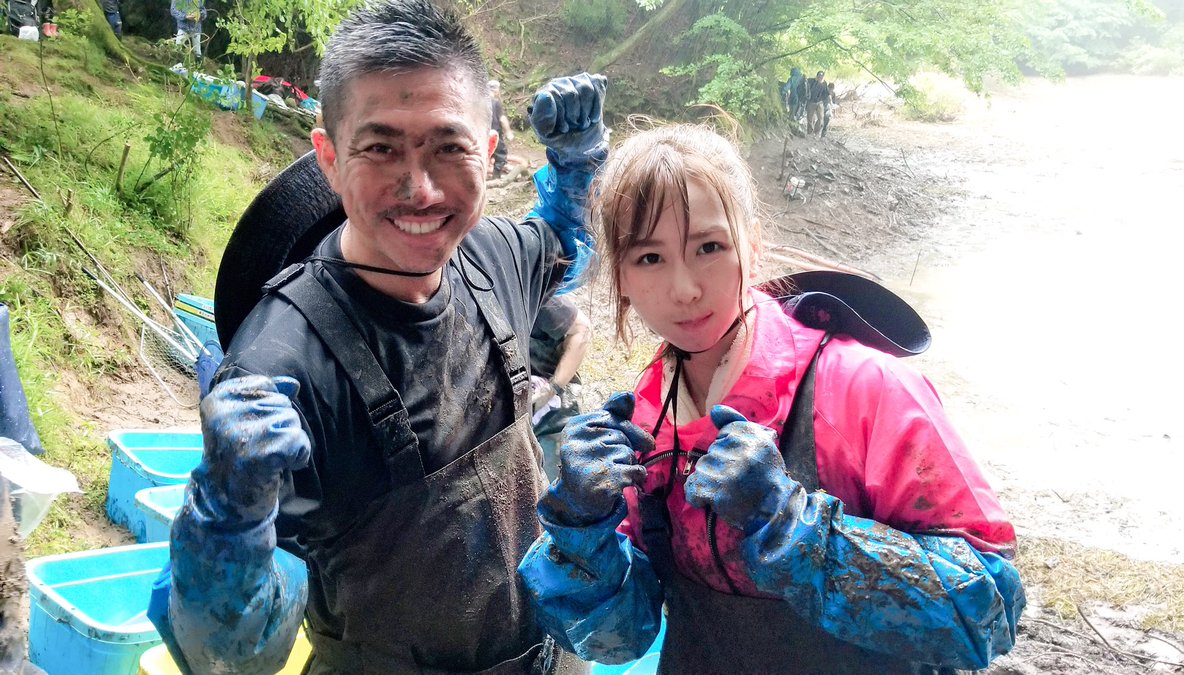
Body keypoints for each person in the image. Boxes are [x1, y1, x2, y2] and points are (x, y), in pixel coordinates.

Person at [150, 0, 610, 672]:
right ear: (329, 158)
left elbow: (566, 245)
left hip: (552, 656)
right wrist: (229, 518)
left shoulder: (493, 253)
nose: (420, 189)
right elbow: (232, 655)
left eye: (449, 147)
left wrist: (576, 170)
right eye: (381, 147)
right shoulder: (284, 367)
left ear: (486, 153)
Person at [518, 124, 1025, 672]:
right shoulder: (645, 417)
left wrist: (790, 524)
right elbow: (619, 642)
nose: (685, 288)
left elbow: (989, 615)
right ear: (618, 276)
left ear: (752, 247)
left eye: (709, 247)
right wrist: (580, 528)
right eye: (649, 258)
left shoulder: (862, 386)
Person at [529, 294, 591, 481]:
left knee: (563, 485)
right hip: (502, 420)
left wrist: (552, 388)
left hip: (551, 413)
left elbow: (581, 329)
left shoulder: (530, 294)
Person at [489, 79, 515, 179]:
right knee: (500, 156)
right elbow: (502, 119)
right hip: (494, 134)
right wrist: (508, 132)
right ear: (496, 90)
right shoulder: (496, 103)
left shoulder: (479, 102)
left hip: (481, 134)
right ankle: (496, 177)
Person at [807, 70, 830, 136]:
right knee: (810, 118)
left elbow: (826, 93)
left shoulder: (824, 83)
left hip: (820, 102)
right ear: (817, 76)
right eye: (819, 76)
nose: (820, 77)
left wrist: (829, 102)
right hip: (811, 102)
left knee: (820, 118)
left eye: (822, 76)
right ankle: (809, 132)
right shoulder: (811, 81)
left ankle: (816, 132)